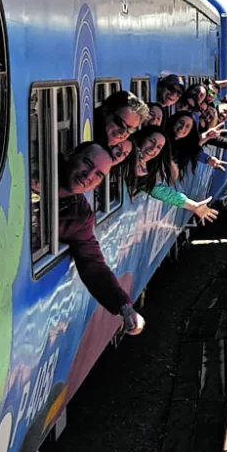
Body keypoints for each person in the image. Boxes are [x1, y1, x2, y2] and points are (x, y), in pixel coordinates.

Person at [58, 143, 145, 334]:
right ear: (71, 154)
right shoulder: (38, 166)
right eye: (87, 163)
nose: (88, 176)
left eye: (98, 175)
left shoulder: (80, 215)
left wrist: (126, 308)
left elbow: (94, 266)